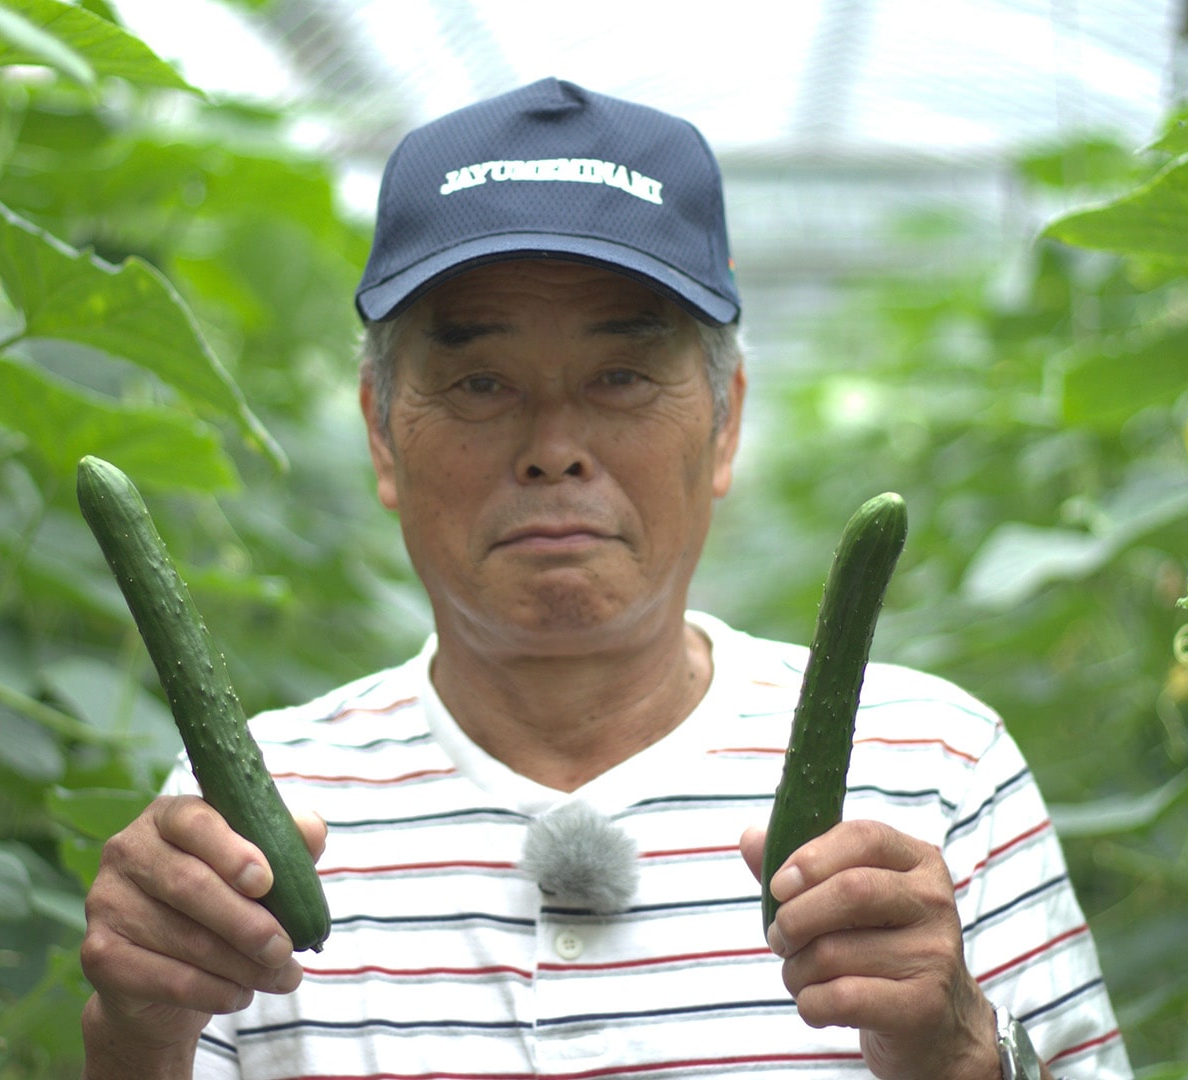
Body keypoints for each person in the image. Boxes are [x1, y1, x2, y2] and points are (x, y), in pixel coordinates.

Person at [80, 77, 1130, 1080]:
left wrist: (959, 1057)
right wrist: (136, 1041)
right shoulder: (235, 826)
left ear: (725, 426)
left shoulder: (939, 771)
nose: (553, 447)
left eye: (622, 377)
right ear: (383, 435)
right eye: (481, 381)